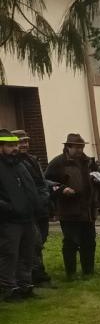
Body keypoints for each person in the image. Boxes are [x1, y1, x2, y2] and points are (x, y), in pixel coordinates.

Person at [45, 132, 99, 278]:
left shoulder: (88, 162)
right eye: (76, 147)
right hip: (68, 210)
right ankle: (71, 273)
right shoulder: (58, 162)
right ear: (68, 147)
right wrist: (62, 189)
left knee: (89, 242)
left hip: (88, 209)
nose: (80, 150)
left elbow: (96, 175)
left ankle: (88, 271)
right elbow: (47, 182)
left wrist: (98, 180)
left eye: (81, 147)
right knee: (71, 242)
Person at [0, 129, 40, 301]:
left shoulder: (20, 165)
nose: (15, 148)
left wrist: (36, 205)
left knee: (27, 254)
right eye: (10, 145)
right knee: (9, 255)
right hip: (8, 220)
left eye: (15, 144)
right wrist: (9, 208)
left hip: (28, 218)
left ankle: (25, 285)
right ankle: (9, 288)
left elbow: (32, 187)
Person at [13, 129, 52, 286]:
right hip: (26, 210)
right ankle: (36, 276)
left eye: (26, 141)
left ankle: (34, 275)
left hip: (40, 207)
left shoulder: (33, 160)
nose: (25, 144)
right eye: (21, 142)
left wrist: (53, 189)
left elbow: (41, 182)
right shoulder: (13, 163)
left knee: (40, 241)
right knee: (34, 243)